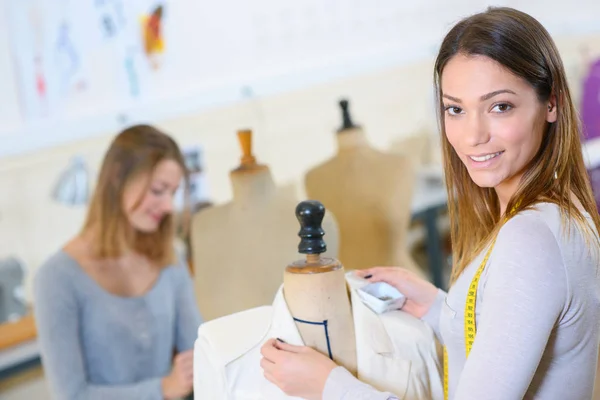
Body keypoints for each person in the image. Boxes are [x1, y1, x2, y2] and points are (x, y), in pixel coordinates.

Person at [259, 6, 600, 400]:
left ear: (552, 104)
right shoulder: (553, 213)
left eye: (499, 106)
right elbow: (516, 338)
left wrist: (327, 385)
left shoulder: (531, 237)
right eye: (455, 109)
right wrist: (441, 308)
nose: (473, 135)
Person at [34, 125, 203, 400]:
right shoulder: (56, 278)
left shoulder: (169, 258)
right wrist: (162, 389)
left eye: (172, 193)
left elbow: (197, 351)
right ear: (116, 179)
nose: (168, 206)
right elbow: (72, 395)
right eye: (158, 190)